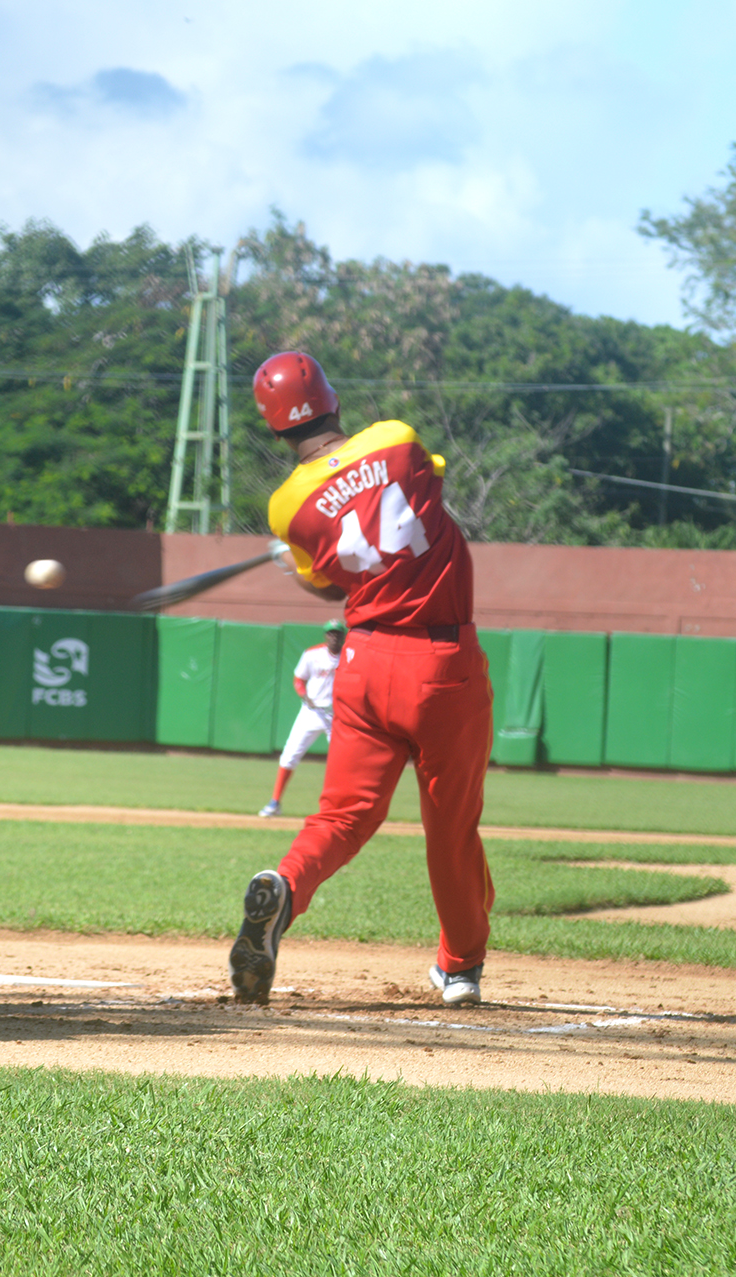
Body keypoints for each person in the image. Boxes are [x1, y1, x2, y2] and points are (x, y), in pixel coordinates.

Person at [229, 351, 494, 1007]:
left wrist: (290, 565)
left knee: (342, 815)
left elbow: (325, 586)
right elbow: (410, 503)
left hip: (365, 662)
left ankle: (284, 885)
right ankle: (459, 968)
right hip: (441, 664)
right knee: (450, 827)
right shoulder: (398, 440)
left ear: (274, 427)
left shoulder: (287, 507)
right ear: (332, 397)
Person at [258, 619, 346, 818]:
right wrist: (305, 696)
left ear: (343, 636)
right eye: (330, 633)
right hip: (311, 712)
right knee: (289, 755)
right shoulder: (312, 654)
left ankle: (337, 808)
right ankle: (274, 802)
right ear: (325, 635)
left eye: (337, 634)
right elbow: (299, 679)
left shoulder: (349, 656)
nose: (334, 637)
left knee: (341, 762)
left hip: (337, 715)